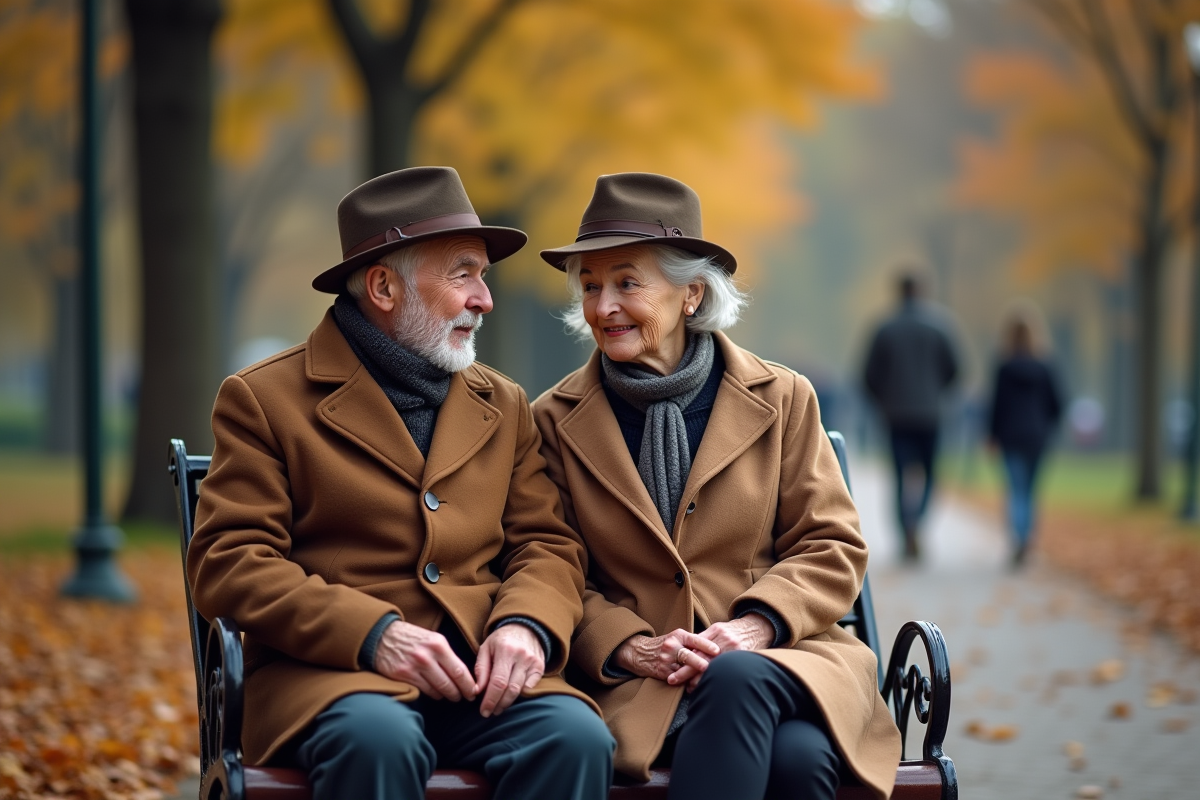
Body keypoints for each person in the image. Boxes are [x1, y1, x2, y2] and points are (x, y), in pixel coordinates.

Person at [186, 166, 614, 800]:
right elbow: (230, 562)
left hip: (478, 672)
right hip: (331, 678)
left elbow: (546, 544)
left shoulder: (505, 403)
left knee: (573, 735)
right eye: (461, 274)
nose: (483, 299)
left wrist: (526, 623)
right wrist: (373, 634)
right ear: (384, 286)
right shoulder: (263, 398)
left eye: (483, 276)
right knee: (378, 739)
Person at [531, 173, 901, 800]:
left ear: (691, 295)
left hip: (787, 657)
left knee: (742, 683)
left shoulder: (783, 398)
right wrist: (632, 647)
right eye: (590, 286)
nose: (602, 307)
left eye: (627, 282)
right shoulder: (551, 420)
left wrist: (753, 628)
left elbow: (832, 546)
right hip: (638, 683)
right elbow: (553, 566)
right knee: (801, 762)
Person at [862, 272, 960, 560]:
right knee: (929, 474)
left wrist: (884, 400)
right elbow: (954, 370)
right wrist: (935, 394)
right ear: (922, 291)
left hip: (896, 415)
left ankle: (906, 527)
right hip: (930, 414)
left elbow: (868, 375)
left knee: (900, 475)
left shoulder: (884, 329)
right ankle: (917, 521)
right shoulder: (940, 327)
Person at [986, 306, 1062, 566]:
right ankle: (1027, 539)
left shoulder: (1004, 367)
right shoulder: (1044, 367)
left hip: (1010, 436)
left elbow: (996, 405)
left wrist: (992, 435)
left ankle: (1018, 538)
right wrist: (1047, 425)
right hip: (1037, 436)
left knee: (1016, 490)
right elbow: (1057, 404)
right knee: (1030, 491)